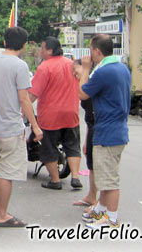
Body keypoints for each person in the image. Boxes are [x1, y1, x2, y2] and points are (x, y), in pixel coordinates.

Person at [0, 27, 42, 227]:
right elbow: (24, 99)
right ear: (24, 45)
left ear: (4, 41)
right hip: (11, 126)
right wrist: (35, 126)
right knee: (7, 174)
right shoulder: (20, 66)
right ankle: (3, 214)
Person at [78, 34, 130, 229]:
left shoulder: (103, 71)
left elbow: (82, 92)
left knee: (108, 179)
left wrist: (85, 68)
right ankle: (102, 209)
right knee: (105, 174)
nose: (90, 54)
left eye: (91, 50)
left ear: (97, 51)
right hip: (117, 129)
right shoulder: (121, 68)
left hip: (107, 131)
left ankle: (111, 218)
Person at [28, 36, 82, 190]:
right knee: (72, 145)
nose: (41, 51)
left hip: (50, 115)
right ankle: (76, 177)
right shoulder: (71, 64)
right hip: (71, 113)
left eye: (43, 48)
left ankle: (55, 180)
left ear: (50, 50)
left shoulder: (45, 67)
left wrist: (22, 109)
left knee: (49, 147)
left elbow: (33, 94)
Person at [73, 59, 97, 207]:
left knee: (97, 165)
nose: (75, 75)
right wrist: (86, 139)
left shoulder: (92, 83)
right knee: (91, 164)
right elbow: (89, 116)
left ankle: (98, 201)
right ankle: (91, 195)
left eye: (76, 71)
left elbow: (84, 96)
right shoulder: (86, 83)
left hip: (98, 126)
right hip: (92, 125)